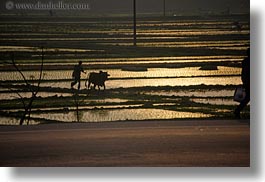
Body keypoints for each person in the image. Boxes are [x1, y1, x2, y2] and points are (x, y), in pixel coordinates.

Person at [234, 48, 250, 119]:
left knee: (247, 98)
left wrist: (244, 81)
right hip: (249, 82)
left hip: (247, 81)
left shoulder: (245, 61)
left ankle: (237, 111)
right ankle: (237, 111)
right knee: (247, 98)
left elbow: (243, 73)